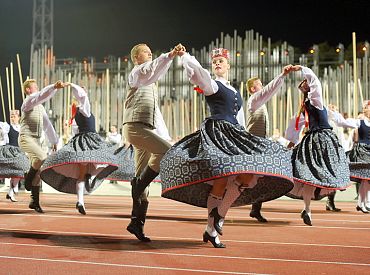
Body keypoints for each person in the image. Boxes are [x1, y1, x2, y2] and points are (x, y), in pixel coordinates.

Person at [160, 47, 294, 248]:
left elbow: (240, 117)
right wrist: (185, 56)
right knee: (220, 180)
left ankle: (218, 214)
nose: (217, 64)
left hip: (235, 133)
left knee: (249, 174)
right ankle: (212, 230)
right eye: (214, 62)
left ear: (228, 65)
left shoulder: (234, 91)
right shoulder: (212, 85)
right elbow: (197, 73)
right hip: (217, 132)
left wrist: (244, 138)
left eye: (220, 61)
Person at [123, 43, 181, 242]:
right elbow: (152, 68)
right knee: (167, 153)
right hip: (135, 127)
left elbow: (157, 72)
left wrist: (165, 136)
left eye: (150, 51)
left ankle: (136, 222)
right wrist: (171, 54)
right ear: (136, 57)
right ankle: (138, 184)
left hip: (145, 129)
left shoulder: (150, 83)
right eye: (146, 51)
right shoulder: (137, 73)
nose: (150, 52)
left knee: (142, 177)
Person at [285, 65, 351, 225]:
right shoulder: (312, 103)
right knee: (311, 175)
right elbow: (296, 126)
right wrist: (301, 68)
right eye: (305, 83)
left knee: (310, 175)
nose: (307, 84)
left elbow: (340, 121)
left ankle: (308, 208)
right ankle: (307, 210)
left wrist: (292, 141)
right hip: (321, 140)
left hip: (316, 141)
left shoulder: (312, 105)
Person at [40, 83, 119, 215]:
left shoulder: (76, 115)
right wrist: (72, 85)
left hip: (80, 143)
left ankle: (80, 201)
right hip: (91, 142)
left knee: (83, 174)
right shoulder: (84, 108)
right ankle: (89, 181)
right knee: (106, 160)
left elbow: (75, 132)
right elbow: (82, 97)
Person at [245, 67, 293, 222]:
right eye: (259, 84)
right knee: (251, 177)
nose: (262, 86)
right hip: (253, 144)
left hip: (260, 144)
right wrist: (282, 75)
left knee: (261, 177)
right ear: (253, 89)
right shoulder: (254, 99)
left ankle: (255, 208)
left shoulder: (260, 102)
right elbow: (269, 90)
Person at [19, 79, 64, 213]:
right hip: (26, 137)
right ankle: (27, 178)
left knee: (37, 172)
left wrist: (54, 140)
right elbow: (40, 96)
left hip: (37, 140)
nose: (38, 88)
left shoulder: (40, 107)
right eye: (35, 86)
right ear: (28, 90)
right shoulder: (28, 102)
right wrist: (54, 87)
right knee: (42, 157)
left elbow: (47, 125)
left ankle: (35, 202)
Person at [327, 101, 370, 213]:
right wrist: (332, 113)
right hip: (363, 152)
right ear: (365, 110)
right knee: (365, 180)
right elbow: (342, 122)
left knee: (367, 180)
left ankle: (363, 203)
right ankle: (362, 204)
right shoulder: (359, 122)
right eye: (368, 108)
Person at [0, 118, 29, 202]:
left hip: (19, 152)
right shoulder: (7, 127)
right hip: (9, 151)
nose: (13, 118)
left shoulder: (22, 128)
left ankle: (11, 192)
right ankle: (12, 191)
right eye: (11, 116)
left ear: (19, 117)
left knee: (20, 168)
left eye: (15, 116)